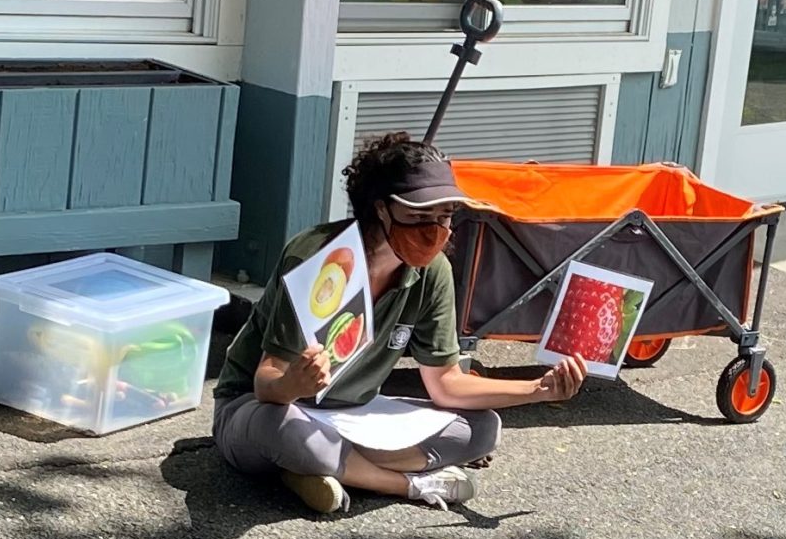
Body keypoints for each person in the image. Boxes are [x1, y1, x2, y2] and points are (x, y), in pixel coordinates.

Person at [211, 131, 588, 518]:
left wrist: (536, 390)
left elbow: (446, 384)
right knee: (282, 430)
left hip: (350, 416)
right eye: (419, 216)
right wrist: (294, 384)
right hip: (260, 410)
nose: (435, 230)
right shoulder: (320, 258)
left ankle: (319, 468)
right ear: (381, 209)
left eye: (445, 217)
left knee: (482, 428)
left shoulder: (433, 271)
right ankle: (406, 483)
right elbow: (265, 382)